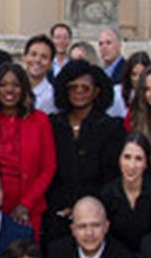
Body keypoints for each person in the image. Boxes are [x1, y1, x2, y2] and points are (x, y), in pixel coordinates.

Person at [0, 63, 56, 240]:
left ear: (24, 89)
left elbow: (49, 168)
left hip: (27, 206)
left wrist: (26, 205)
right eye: (3, 85)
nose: (10, 90)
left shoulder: (41, 121)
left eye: (15, 85)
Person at [45, 60, 124, 242]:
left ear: (96, 91)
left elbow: (112, 176)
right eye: (73, 87)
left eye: (85, 88)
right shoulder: (53, 124)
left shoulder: (112, 128)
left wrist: (83, 208)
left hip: (94, 217)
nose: (79, 92)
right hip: (56, 214)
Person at [98, 133, 151, 256]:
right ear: (119, 159)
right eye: (127, 157)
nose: (132, 165)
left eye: (138, 159)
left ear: (146, 163)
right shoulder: (107, 195)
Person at [22, 35, 58, 115]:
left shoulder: (52, 97)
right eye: (33, 54)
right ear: (24, 57)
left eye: (44, 57)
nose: (38, 60)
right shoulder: (11, 88)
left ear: (51, 64)